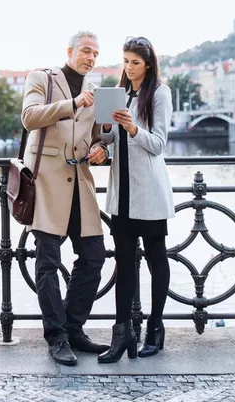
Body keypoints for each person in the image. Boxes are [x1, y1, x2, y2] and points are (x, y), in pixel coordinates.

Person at [21, 31, 110, 366]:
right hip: (46, 183)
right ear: (70, 51)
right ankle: (56, 337)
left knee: (94, 256)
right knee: (47, 262)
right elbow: (29, 117)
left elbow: (104, 133)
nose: (90, 57)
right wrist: (72, 104)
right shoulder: (41, 78)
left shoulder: (100, 92)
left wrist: (102, 147)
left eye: (96, 54)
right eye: (86, 51)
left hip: (81, 184)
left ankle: (73, 329)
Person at [97, 36, 174, 363]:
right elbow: (109, 139)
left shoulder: (159, 93)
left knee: (157, 259)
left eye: (135, 62)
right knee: (124, 263)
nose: (128, 68)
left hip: (150, 193)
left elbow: (158, 144)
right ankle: (122, 333)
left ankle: (155, 327)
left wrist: (131, 129)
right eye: (125, 61)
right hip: (122, 194)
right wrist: (104, 125)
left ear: (148, 64)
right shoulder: (119, 93)